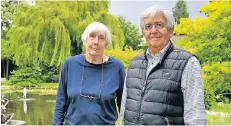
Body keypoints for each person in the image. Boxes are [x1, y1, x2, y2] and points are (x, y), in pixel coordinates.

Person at [120, 5, 206, 125]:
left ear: (170, 30)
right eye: (148, 26)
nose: (153, 31)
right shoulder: (134, 63)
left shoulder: (188, 63)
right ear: (144, 32)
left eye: (159, 25)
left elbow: (196, 117)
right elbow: (124, 108)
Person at [53, 22, 126, 125]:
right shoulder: (70, 64)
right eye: (92, 36)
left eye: (101, 38)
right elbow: (60, 103)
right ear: (85, 40)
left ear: (106, 43)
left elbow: (124, 106)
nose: (96, 42)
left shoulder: (116, 67)